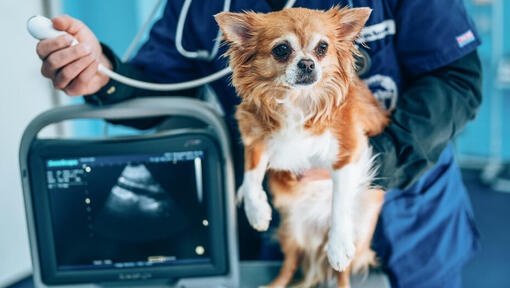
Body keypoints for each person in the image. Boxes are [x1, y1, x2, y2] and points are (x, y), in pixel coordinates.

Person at [35, 0, 482, 287]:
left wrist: (372, 158)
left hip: (411, 214)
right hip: (283, 207)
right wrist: (105, 74)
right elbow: (159, 84)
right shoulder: (202, 7)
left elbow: (456, 78)